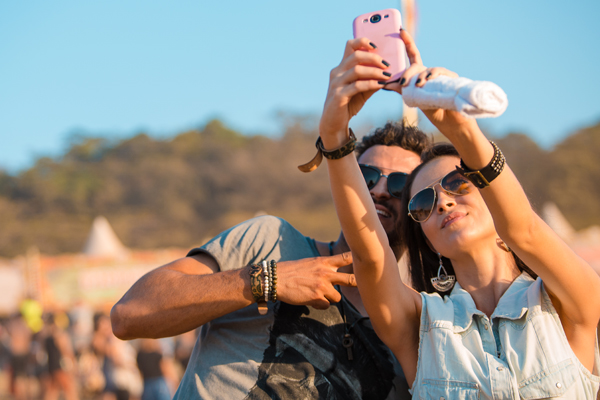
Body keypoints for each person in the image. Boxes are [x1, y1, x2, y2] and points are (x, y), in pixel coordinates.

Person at [319, 29, 600, 398]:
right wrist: (335, 136)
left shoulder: (566, 297)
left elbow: (525, 230)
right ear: (427, 239)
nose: (444, 203)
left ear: (493, 198)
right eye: (423, 203)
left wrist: (458, 124)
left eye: (459, 184)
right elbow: (371, 256)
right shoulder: (418, 327)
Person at [111, 121, 431, 399]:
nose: (378, 190)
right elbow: (130, 314)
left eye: (400, 183)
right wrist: (266, 280)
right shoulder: (271, 239)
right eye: (366, 175)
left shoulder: (420, 327)